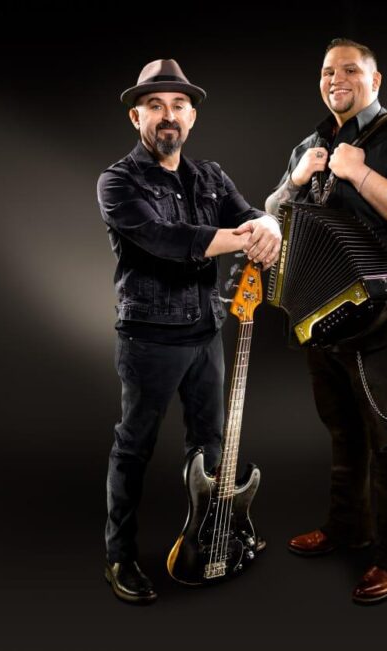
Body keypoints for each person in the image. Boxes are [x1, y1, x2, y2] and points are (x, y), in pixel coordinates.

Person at [98, 59, 281, 604]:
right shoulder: (118, 181)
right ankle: (120, 557)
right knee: (134, 448)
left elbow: (251, 213)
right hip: (149, 339)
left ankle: (211, 538)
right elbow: (166, 239)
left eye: (178, 105)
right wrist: (244, 235)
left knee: (212, 447)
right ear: (137, 117)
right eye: (155, 105)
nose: (168, 115)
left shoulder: (210, 175)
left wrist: (268, 223)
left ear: (192, 116)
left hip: (206, 334)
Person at [266, 38, 387, 604]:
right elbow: (272, 220)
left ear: (375, 78)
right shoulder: (310, 143)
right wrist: (295, 180)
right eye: (326, 71)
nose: (335, 79)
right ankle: (347, 529)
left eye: (348, 70)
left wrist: (358, 173)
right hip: (322, 316)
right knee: (343, 432)